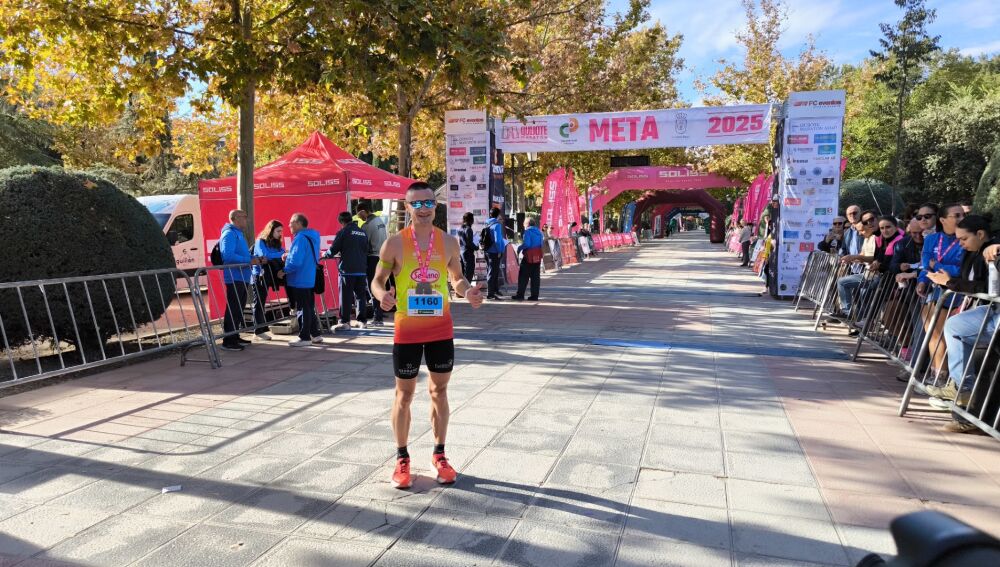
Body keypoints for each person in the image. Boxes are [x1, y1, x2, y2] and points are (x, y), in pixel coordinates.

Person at [370, 182, 484, 489]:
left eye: (428, 203)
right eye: (416, 204)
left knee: (439, 392)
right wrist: (381, 295)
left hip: (440, 328)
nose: (423, 209)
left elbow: (457, 279)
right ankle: (402, 458)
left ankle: (439, 455)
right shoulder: (393, 243)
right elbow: (377, 281)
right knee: (404, 395)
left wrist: (468, 292)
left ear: (436, 206)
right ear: (407, 207)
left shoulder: (448, 242)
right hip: (406, 328)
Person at [923, 215, 999, 432]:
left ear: (981, 235)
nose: (960, 244)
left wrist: (950, 282)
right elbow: (972, 284)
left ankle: (967, 407)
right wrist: (949, 281)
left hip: (992, 312)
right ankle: (961, 389)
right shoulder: (969, 253)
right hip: (988, 310)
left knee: (980, 358)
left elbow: (983, 286)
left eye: (964, 239)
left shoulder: (993, 248)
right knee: (955, 327)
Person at [218, 209, 263, 351]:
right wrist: (249, 261)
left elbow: (240, 255)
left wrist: (254, 259)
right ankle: (228, 340)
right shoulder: (229, 234)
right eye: (244, 217)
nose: (246, 220)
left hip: (242, 276)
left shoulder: (238, 234)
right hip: (234, 277)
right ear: (236, 218)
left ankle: (234, 335)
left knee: (239, 309)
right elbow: (228, 257)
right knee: (233, 308)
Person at [280, 213, 323, 347]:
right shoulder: (312, 236)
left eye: (291, 222)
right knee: (309, 307)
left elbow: (296, 261)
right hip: (308, 277)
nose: (289, 225)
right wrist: (289, 255)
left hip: (299, 278)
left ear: (298, 223)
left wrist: (284, 270)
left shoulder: (300, 238)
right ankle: (315, 334)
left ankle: (304, 337)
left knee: (303, 308)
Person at [324, 211, 370, 331]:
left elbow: (333, 249)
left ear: (341, 222)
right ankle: (362, 321)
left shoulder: (343, 232)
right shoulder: (362, 232)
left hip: (347, 270)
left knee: (345, 296)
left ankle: (345, 321)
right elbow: (366, 249)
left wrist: (326, 254)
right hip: (361, 269)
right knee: (361, 296)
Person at [917, 203, 966, 300]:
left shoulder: (967, 240)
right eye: (957, 216)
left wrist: (937, 266)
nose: (962, 219)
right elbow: (926, 266)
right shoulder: (930, 239)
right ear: (942, 220)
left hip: (957, 292)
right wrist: (922, 281)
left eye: (964, 215)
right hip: (935, 291)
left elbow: (963, 271)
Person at [835, 210, 878, 317]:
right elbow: (862, 255)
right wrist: (850, 259)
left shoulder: (875, 238)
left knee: (844, 283)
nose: (859, 233)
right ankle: (853, 318)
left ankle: (849, 314)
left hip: (874, 276)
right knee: (860, 299)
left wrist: (854, 257)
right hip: (867, 273)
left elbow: (873, 258)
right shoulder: (867, 238)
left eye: (862, 231)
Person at [250, 220, 286, 341]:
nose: (280, 233)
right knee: (259, 303)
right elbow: (265, 255)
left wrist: (280, 254)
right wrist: (280, 254)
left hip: (270, 275)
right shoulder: (260, 241)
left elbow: (282, 253)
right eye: (278, 231)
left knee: (261, 302)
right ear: (271, 230)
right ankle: (258, 331)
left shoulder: (276, 243)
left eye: (281, 231)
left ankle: (260, 329)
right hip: (259, 275)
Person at [358, 204, 389, 327]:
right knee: (382, 286)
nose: (359, 217)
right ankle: (381, 312)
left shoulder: (367, 226)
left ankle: (378, 317)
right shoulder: (379, 220)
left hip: (372, 258)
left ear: (363, 211)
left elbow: (364, 244)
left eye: (359, 214)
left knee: (374, 287)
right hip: (383, 257)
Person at [512, 217, 544, 301]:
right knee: (535, 277)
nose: (523, 225)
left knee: (523, 276)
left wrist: (519, 248)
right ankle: (534, 296)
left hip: (528, 257)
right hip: (537, 256)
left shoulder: (528, 231)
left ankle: (520, 294)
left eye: (524, 224)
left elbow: (527, 244)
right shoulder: (539, 232)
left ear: (527, 224)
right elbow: (541, 244)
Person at [483, 207, 506, 300]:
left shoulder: (487, 223)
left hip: (487, 251)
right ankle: (490, 293)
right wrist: (500, 251)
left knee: (493, 271)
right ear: (498, 215)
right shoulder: (496, 225)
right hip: (495, 252)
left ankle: (495, 290)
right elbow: (497, 240)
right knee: (492, 272)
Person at [458, 212, 478, 284]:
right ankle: (466, 288)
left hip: (462, 252)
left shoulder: (460, 228)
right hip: (468, 253)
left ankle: (461, 289)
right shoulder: (468, 229)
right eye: (472, 219)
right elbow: (469, 243)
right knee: (469, 272)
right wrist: (476, 247)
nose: (473, 221)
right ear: (470, 220)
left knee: (463, 272)